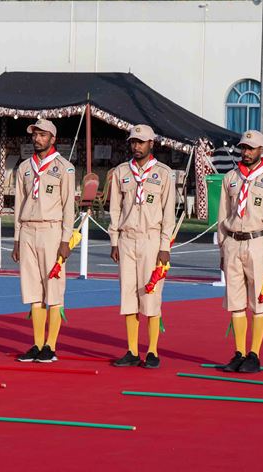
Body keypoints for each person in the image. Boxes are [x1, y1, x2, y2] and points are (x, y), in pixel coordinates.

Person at [216, 129, 263, 375]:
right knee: (235, 301)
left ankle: (254, 354)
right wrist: (222, 248)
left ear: (261, 150)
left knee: (258, 299)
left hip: (258, 242)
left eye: (250, 148)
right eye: (243, 148)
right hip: (233, 241)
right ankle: (239, 352)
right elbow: (223, 215)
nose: (245, 152)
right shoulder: (231, 178)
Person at [108, 124, 176, 369]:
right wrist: (114, 240)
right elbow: (115, 209)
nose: (136, 146)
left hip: (151, 239)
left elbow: (169, 212)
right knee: (128, 295)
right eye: (133, 142)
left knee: (150, 294)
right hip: (127, 238)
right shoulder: (121, 172)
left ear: (151, 144)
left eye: (141, 142)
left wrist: (165, 245)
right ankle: (131, 349)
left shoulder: (164, 173)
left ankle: (153, 350)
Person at [12, 119, 76, 364]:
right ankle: (37, 344)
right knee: (32, 290)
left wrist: (65, 239)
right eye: (35, 134)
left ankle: (50, 345)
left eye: (42, 135)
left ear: (52, 139)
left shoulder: (64, 168)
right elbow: (19, 204)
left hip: (52, 230)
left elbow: (69, 206)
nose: (36, 139)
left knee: (53, 289)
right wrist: (17, 239)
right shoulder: (24, 168)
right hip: (28, 229)